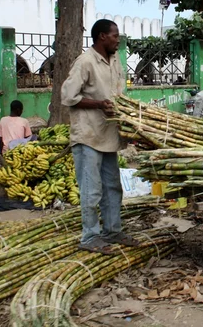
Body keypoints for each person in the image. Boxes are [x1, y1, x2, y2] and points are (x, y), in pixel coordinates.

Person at [61, 18, 139, 255]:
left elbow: (118, 95)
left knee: (113, 187)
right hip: (88, 136)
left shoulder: (115, 60)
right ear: (102, 36)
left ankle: (113, 230)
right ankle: (90, 235)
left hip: (108, 136)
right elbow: (67, 96)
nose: (118, 39)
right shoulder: (85, 62)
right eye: (115, 35)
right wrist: (98, 104)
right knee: (92, 189)